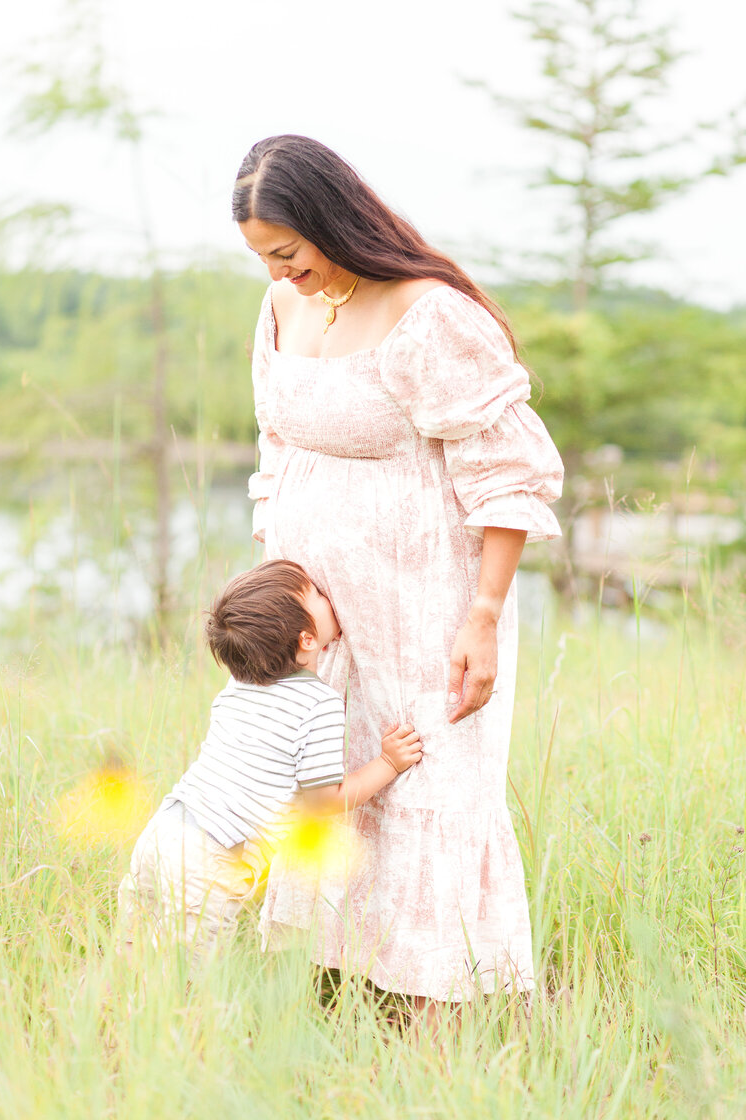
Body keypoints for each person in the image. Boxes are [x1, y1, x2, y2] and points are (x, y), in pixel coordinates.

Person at [232, 135, 564, 1013]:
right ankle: (345, 974)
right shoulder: (278, 308)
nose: (278, 273)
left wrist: (484, 613)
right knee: (327, 769)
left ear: (328, 221)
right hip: (314, 604)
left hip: (425, 600)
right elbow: (276, 446)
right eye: (263, 258)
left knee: (427, 775)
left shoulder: (430, 312)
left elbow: (508, 472)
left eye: (287, 252)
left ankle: (442, 997)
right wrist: (277, 569)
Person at [117, 559, 422, 973]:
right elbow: (321, 803)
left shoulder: (237, 684)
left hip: (163, 832)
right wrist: (387, 762)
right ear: (307, 640)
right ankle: (185, 1035)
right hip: (210, 859)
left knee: (132, 960)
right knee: (187, 983)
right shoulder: (319, 705)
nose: (328, 594)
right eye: (317, 593)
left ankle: (113, 1026)